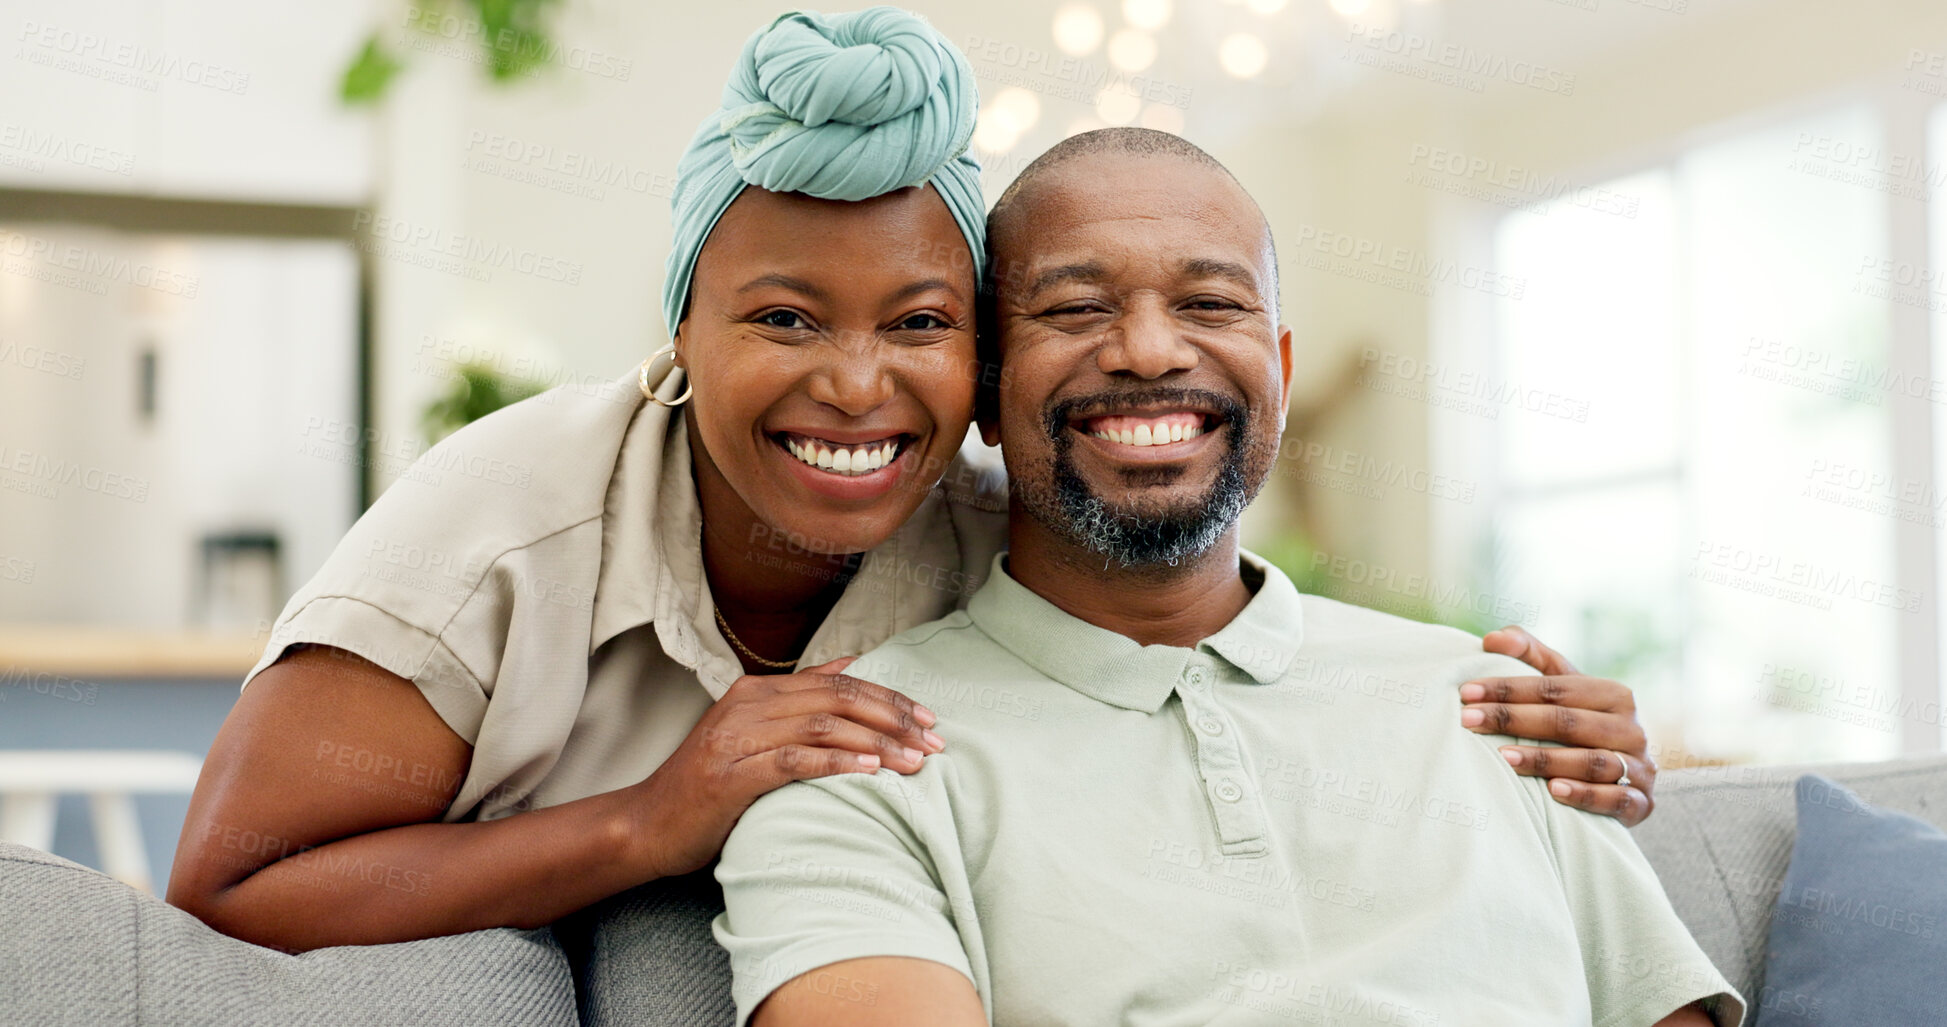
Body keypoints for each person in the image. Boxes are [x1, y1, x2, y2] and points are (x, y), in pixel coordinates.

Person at [168, 9, 1656, 954]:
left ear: (987, 367)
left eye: (922, 324)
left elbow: (1217, 655)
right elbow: (233, 878)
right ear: (678, 332)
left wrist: (1510, 719)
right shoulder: (509, 516)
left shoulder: (998, 516)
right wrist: (648, 819)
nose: (859, 384)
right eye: (781, 316)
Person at [711, 129, 1742, 1027]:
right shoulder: (855, 764)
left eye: (1209, 300)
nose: (1151, 350)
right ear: (984, 391)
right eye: (1075, 308)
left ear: (1282, 376)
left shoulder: (1501, 708)